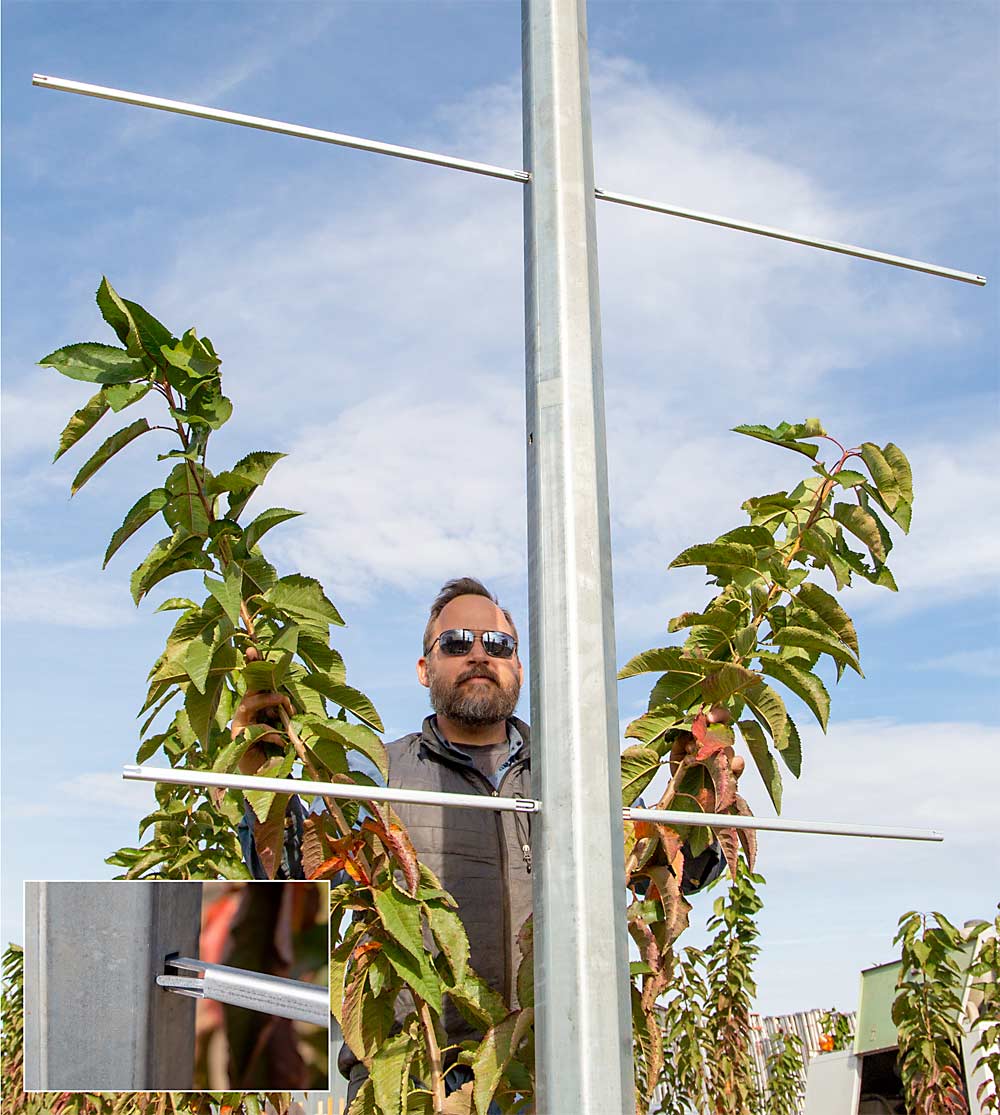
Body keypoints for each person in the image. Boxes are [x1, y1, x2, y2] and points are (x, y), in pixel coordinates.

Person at [234, 576, 726, 1099]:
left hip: (547, 1081)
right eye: (455, 642)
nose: (477, 654)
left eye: (497, 645)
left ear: (518, 668)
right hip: (415, 1084)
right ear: (425, 668)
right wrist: (263, 794)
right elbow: (288, 894)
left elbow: (669, 872)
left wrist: (700, 793)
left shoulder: (575, 778)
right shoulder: (373, 772)